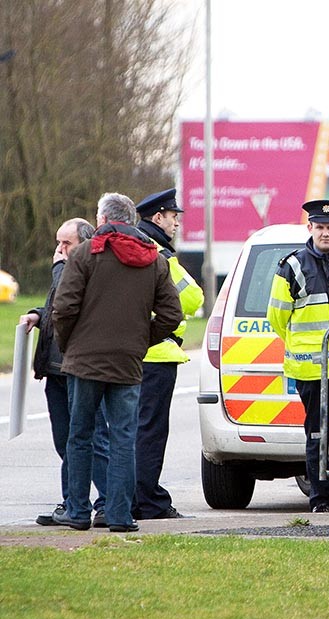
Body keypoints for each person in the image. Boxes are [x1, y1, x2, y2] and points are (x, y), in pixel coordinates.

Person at [50, 193, 182, 532]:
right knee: (124, 438)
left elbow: (64, 309)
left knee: (81, 436)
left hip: (85, 361)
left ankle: (78, 512)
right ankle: (120, 515)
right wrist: (141, 340)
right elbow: (172, 314)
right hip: (128, 363)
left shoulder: (84, 255)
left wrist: (70, 345)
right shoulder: (154, 260)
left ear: (104, 219)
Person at [267, 199, 329, 513]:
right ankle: (321, 497)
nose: (325, 233)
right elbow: (277, 317)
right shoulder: (293, 266)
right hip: (312, 370)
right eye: (320, 227)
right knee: (317, 433)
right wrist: (306, 348)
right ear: (310, 228)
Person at [20, 218, 111, 528]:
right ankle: (73, 502)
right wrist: (38, 314)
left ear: (83, 245)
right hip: (56, 367)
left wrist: (59, 270)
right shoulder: (66, 268)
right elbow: (58, 308)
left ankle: (107, 503)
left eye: (66, 244)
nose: (59, 251)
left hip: (80, 366)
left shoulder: (85, 268)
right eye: (57, 244)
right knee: (66, 440)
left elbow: (72, 304)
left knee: (91, 437)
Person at [130, 188, 205, 520]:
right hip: (157, 354)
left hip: (130, 353)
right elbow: (192, 298)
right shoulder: (158, 252)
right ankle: (147, 498)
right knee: (150, 430)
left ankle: (133, 495)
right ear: (157, 218)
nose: (176, 224)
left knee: (129, 428)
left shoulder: (132, 246)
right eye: (174, 217)